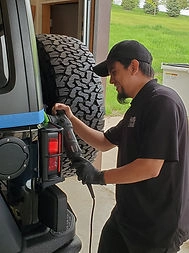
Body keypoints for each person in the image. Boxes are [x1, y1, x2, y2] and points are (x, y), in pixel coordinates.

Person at [52, 40, 189, 253]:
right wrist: (71, 120)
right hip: (128, 214)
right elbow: (104, 142)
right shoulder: (140, 105)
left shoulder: (163, 102)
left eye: (114, 72)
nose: (112, 80)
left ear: (134, 67)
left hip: (156, 226)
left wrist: (100, 176)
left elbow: (150, 167)